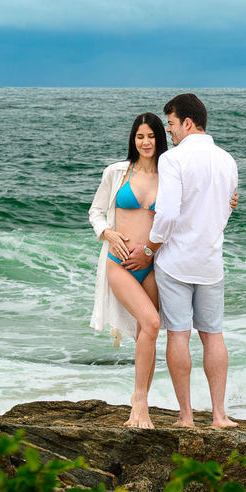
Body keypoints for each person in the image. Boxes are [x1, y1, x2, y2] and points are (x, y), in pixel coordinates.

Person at [123, 93, 239, 428]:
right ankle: (220, 416)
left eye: (171, 124)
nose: (169, 132)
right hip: (210, 261)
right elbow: (226, 210)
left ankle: (186, 417)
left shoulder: (173, 160)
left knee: (178, 335)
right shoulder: (227, 160)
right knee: (213, 335)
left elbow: (168, 214)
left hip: (175, 262)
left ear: (187, 123)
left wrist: (150, 248)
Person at [88, 113, 168, 428]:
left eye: (151, 136)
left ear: (159, 138)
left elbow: (193, 204)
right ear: (133, 140)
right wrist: (107, 233)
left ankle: (139, 401)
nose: (145, 142)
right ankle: (141, 404)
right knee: (151, 321)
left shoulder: (170, 173)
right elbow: (95, 211)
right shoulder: (117, 172)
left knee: (146, 332)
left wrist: (228, 199)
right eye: (140, 137)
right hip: (119, 262)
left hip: (152, 262)